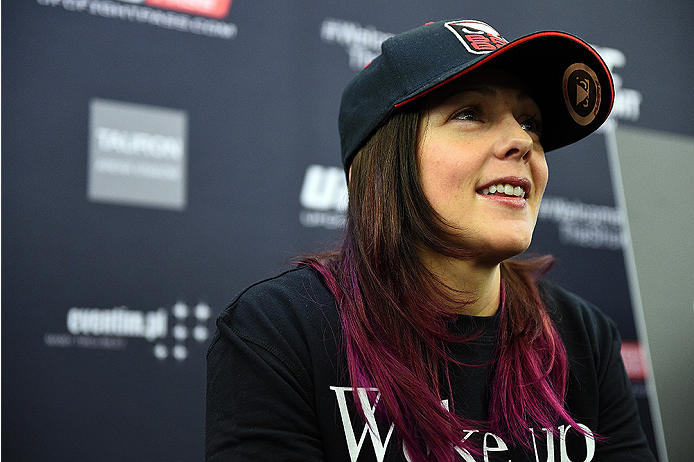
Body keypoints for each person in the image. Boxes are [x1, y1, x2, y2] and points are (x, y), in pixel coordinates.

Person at [205, 19, 656, 462]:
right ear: (386, 160)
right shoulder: (278, 332)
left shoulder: (584, 336)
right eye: (469, 114)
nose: (521, 140)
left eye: (530, 122)